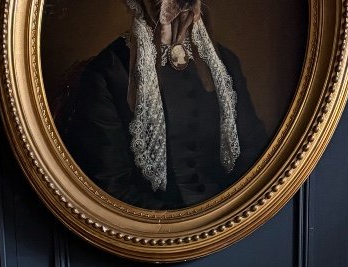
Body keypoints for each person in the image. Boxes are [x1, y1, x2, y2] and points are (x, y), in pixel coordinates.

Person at [59, 0, 269, 209]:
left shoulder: (223, 64)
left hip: (229, 217)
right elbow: (111, 185)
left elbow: (252, 152)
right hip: (156, 228)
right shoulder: (109, 71)